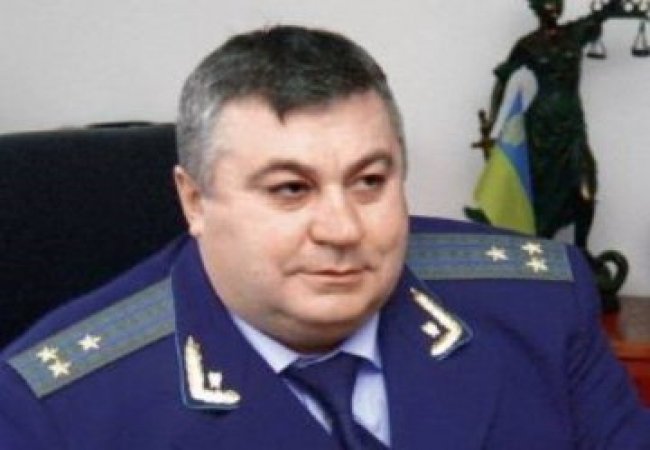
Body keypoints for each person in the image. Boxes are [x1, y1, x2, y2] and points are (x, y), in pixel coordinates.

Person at [1, 25, 649, 450]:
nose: (342, 229)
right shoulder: (57, 409)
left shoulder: (537, 306)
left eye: (369, 181)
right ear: (194, 201)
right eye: (291, 189)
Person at [476, 0, 634, 249]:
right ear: (537, 7)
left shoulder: (574, 34)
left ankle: (581, 251)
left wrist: (619, 5)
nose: (554, 6)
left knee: (585, 190)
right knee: (542, 194)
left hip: (571, 126)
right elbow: (502, 82)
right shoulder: (527, 44)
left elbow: (604, 13)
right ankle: (541, 249)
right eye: (548, 2)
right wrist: (493, 123)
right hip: (541, 128)